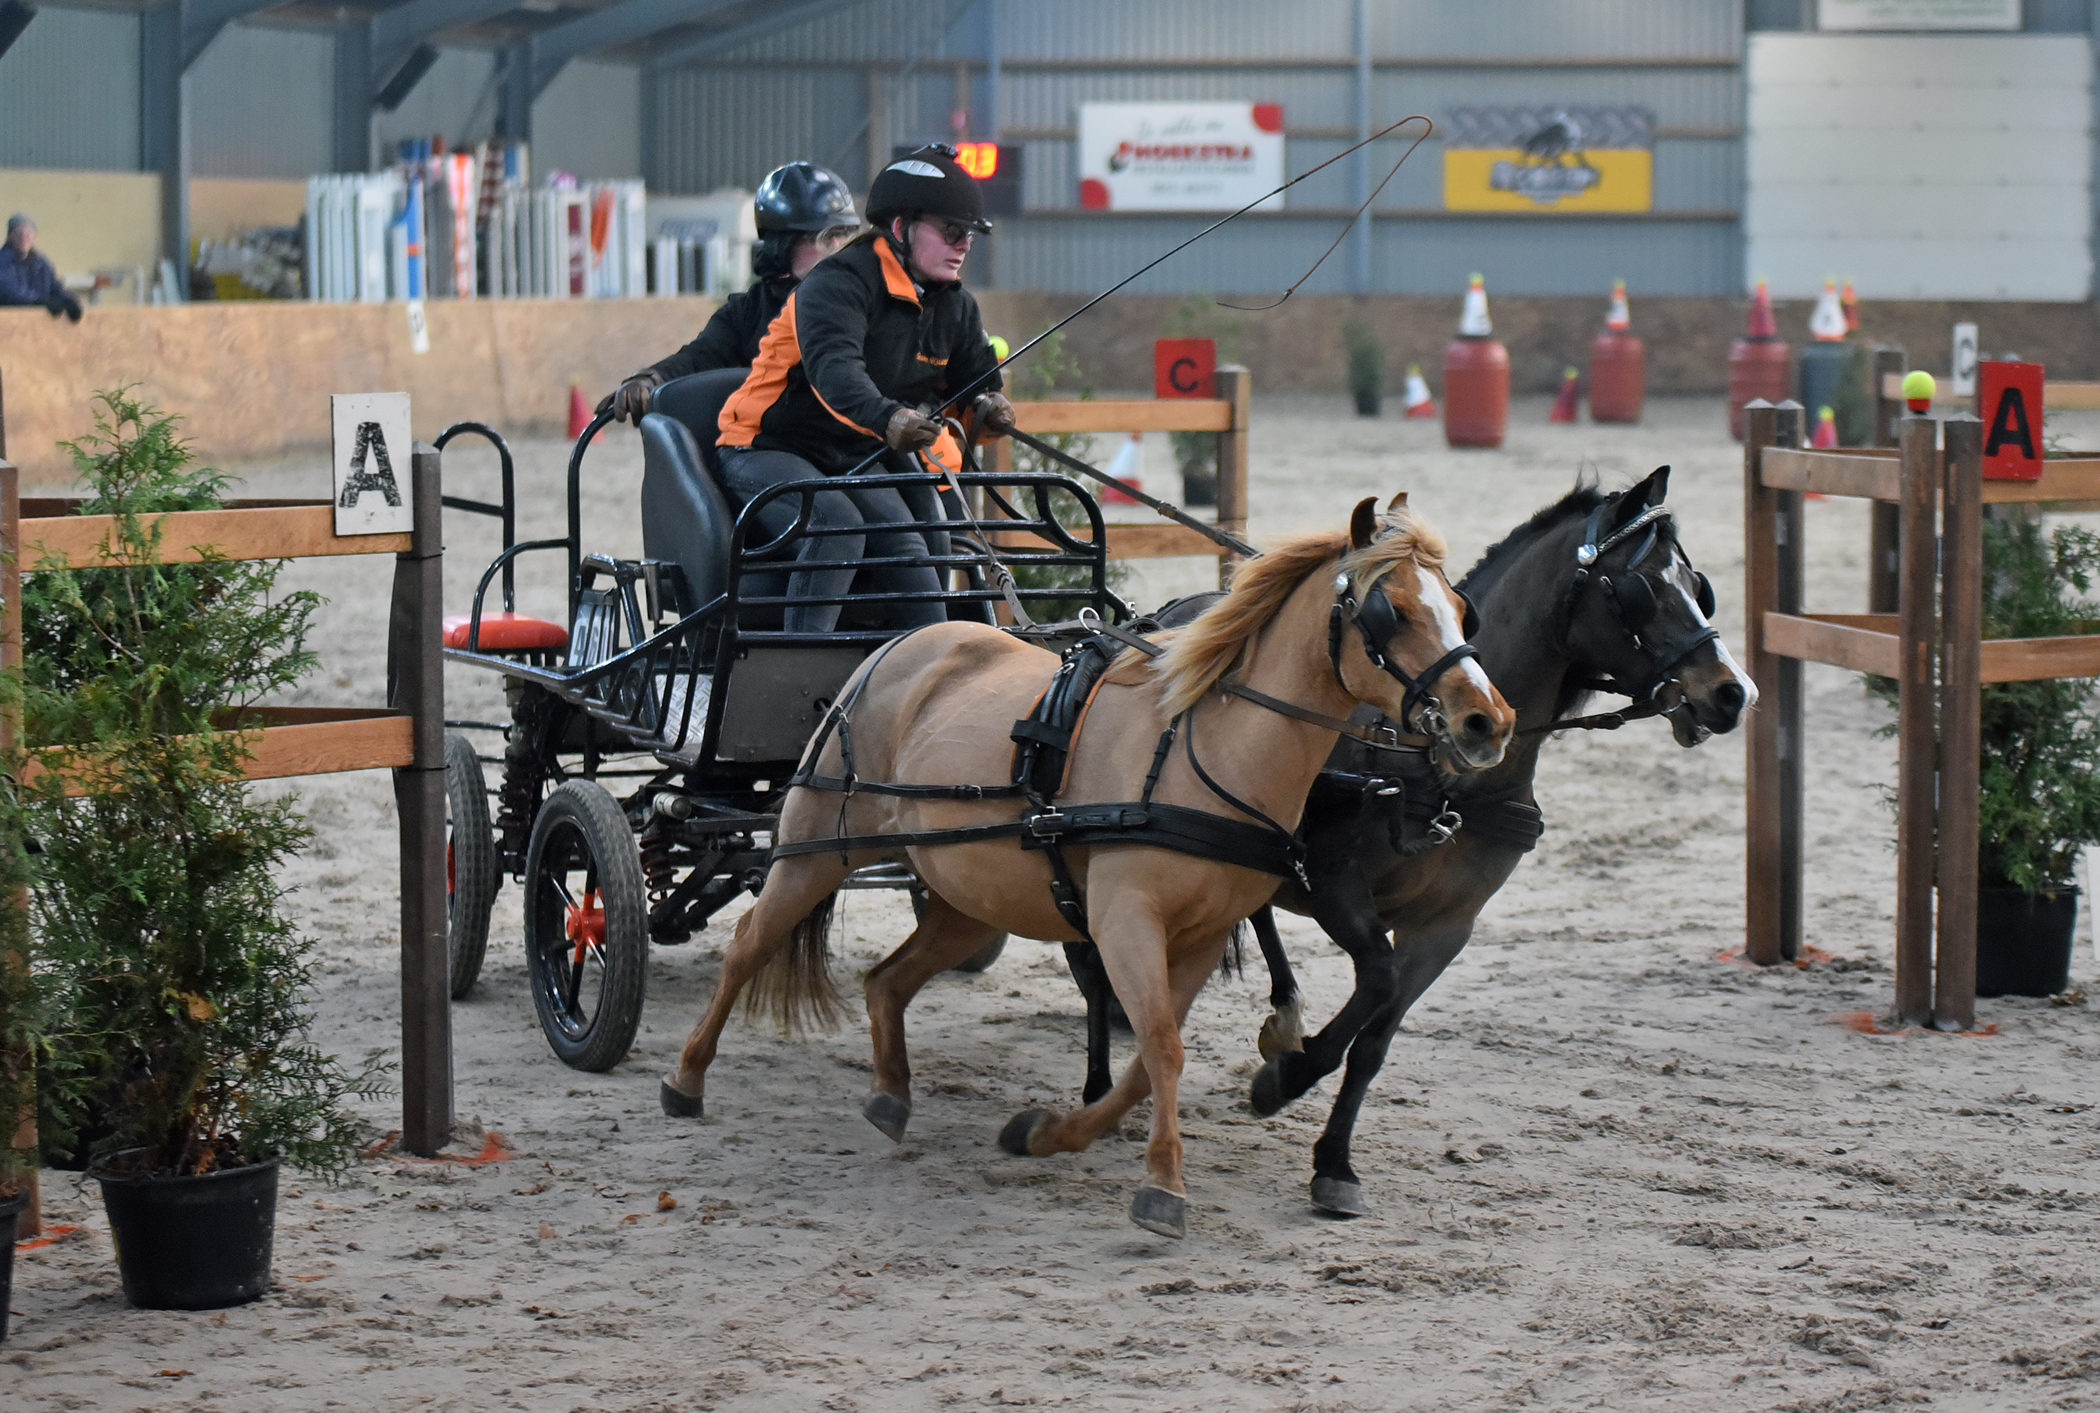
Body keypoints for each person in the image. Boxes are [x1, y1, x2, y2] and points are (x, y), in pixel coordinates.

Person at [712, 144, 1016, 634]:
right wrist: (891, 418)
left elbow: (971, 385)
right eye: (952, 232)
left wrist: (987, 408)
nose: (963, 246)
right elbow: (836, 374)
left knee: (909, 542)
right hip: (766, 445)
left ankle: (932, 669)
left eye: (969, 237)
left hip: (850, 452)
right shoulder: (838, 284)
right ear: (901, 228)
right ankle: (797, 680)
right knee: (839, 527)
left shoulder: (955, 306)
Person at [599, 163, 859, 423]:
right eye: (822, 236)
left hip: (860, 445)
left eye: (842, 235)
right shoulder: (747, 314)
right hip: (778, 445)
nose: (837, 248)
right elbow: (698, 357)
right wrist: (650, 379)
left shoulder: (866, 302)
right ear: (783, 244)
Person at [0, 215, 82, 321]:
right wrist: (41, 302)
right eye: (19, 234)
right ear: (10, 236)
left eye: (28, 234)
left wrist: (68, 301)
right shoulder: (3, 262)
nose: (23, 238)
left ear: (34, 237)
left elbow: (55, 288)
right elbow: (9, 294)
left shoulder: (41, 264)